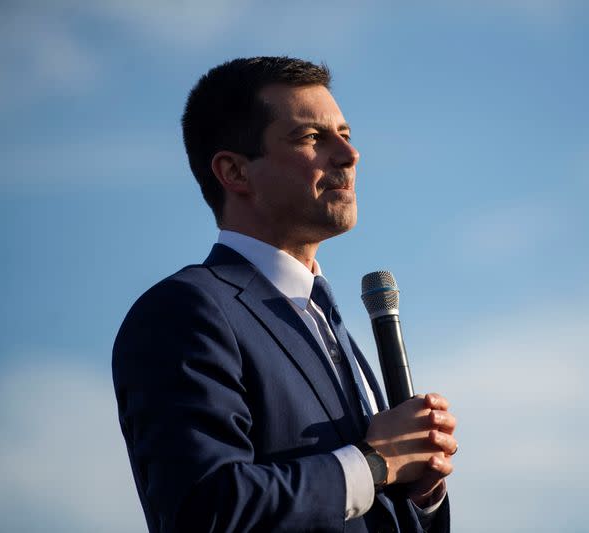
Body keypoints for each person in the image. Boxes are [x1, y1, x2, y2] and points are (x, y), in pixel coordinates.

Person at [112, 56, 457, 533]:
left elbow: (365, 494)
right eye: (311, 138)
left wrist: (418, 491)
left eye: (345, 134)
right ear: (234, 172)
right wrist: (375, 464)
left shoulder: (325, 320)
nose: (348, 155)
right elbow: (206, 510)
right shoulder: (185, 311)